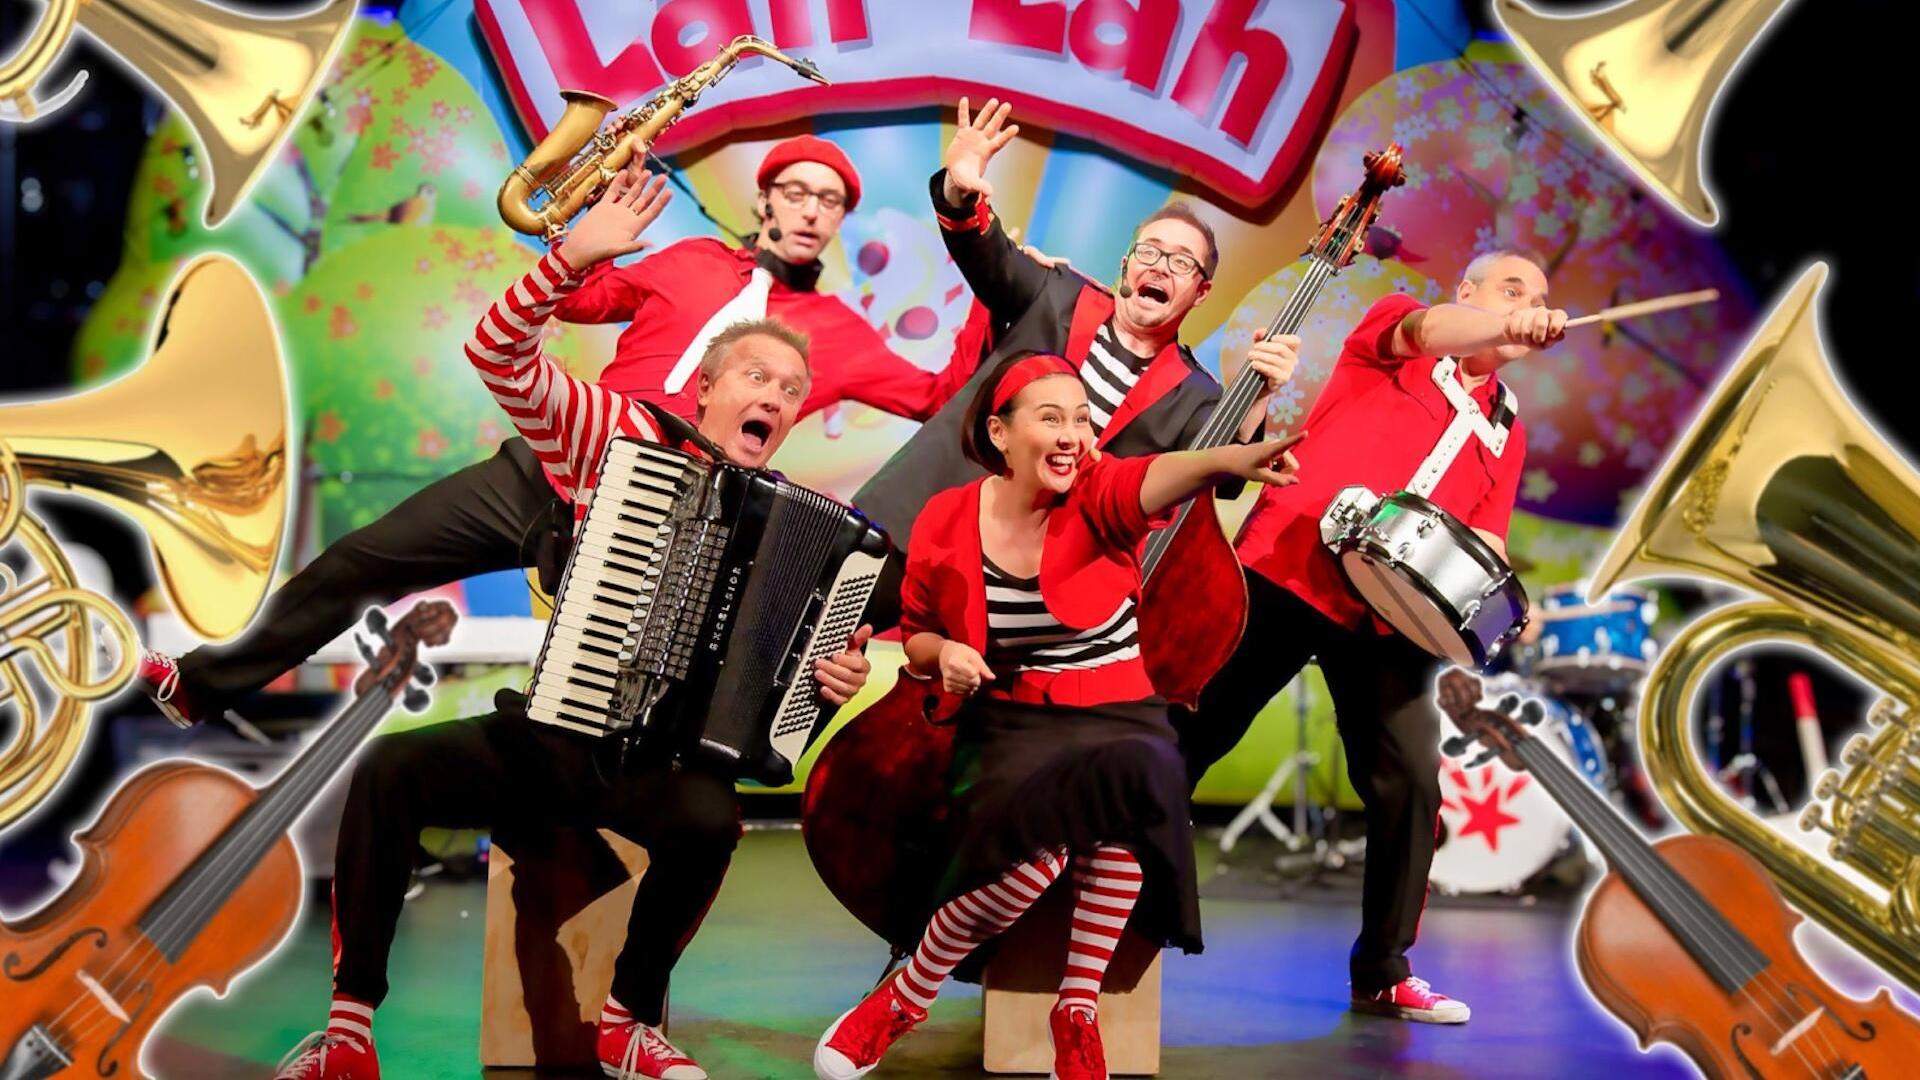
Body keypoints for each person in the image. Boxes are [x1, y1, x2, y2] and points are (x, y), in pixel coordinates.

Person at [271, 168, 875, 1080]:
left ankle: (627, 1023)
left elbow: (782, 696)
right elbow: (497, 354)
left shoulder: (800, 528)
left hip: (657, 765)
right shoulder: (611, 430)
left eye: (792, 391)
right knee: (390, 770)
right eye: (757, 377)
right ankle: (349, 1029)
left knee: (711, 818)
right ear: (706, 387)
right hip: (549, 737)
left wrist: (826, 682)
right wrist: (570, 260)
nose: (776, 398)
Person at [135, 135, 958, 727]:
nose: (812, 210)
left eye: (830, 201)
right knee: (365, 561)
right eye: (798, 192)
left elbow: (938, 397)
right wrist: (584, 238)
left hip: (662, 516)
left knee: (602, 702)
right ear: (766, 198)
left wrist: (997, 281)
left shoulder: (840, 332)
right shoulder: (690, 262)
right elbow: (579, 301)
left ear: (841, 219)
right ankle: (201, 687)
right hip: (567, 454)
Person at [813, 353, 1301, 1080]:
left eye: (1082, 419)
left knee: (1137, 779)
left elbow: (1155, 476)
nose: (1073, 434)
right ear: (1000, 434)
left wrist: (1228, 459)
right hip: (1012, 718)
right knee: (1025, 860)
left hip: (1117, 711)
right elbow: (916, 631)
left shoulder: (1100, 491)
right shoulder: (948, 516)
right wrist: (945, 651)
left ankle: (1077, 1010)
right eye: (1051, 418)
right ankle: (910, 994)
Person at [1177, 250, 1566, 1025]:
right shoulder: (1400, 329)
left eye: (1537, 297)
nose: (1527, 304)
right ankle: (1081, 885)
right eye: (1511, 289)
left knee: (1410, 782)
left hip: (1391, 613)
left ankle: (1384, 971)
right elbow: (1434, 330)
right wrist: (1503, 324)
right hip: (1293, 564)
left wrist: (1502, 602)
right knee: (1193, 731)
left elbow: (1484, 536)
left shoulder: (1507, 429)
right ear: (1468, 293)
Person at [853, 98, 1297, 560]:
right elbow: (985, 253)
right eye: (1149, 251)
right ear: (1125, 265)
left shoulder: (1195, 395)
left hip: (1023, 575)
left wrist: (1259, 396)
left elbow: (1219, 475)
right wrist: (959, 190)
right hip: (916, 519)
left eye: (1182, 262)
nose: (1161, 266)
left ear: (1201, 292)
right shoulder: (1055, 291)